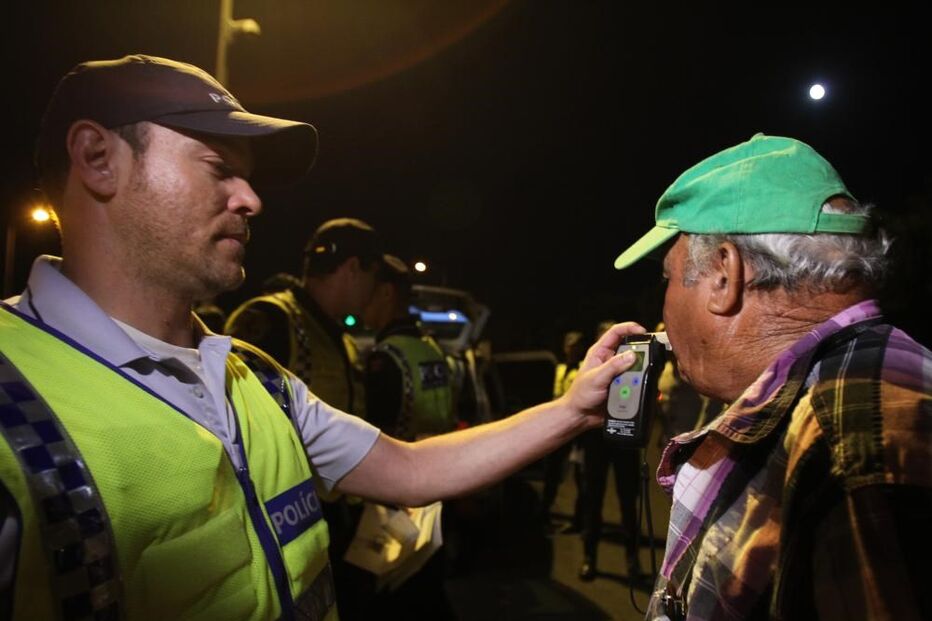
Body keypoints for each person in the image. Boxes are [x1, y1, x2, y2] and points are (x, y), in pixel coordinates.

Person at [0, 54, 640, 621]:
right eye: (219, 167)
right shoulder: (11, 399)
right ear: (97, 160)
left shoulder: (255, 376)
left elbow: (409, 469)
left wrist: (571, 409)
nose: (251, 199)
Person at [613, 133, 932, 620]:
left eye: (668, 278)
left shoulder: (852, 431)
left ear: (724, 274)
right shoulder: (838, 388)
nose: (663, 308)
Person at [226, 217, 382, 420]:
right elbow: (239, 418)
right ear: (353, 268)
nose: (374, 288)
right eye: (374, 276)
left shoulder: (340, 338)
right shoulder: (273, 318)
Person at [577, 321, 642, 582]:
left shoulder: (633, 365)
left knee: (628, 501)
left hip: (625, 439)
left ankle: (632, 560)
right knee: (592, 499)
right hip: (596, 439)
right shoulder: (590, 368)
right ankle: (589, 557)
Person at [538, 330, 586, 532]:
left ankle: (579, 520)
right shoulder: (557, 369)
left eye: (576, 346)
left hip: (577, 433)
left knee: (580, 477)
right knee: (551, 475)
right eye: (569, 345)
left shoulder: (585, 369)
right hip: (556, 431)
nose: (572, 350)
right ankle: (543, 516)